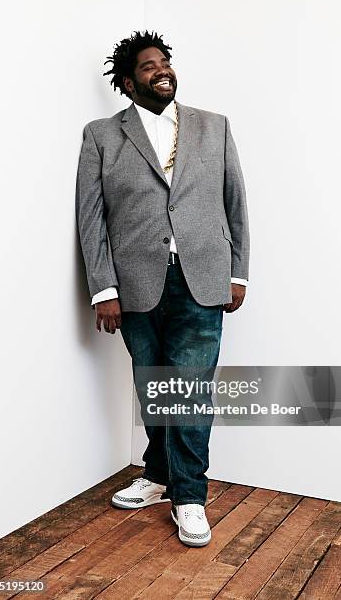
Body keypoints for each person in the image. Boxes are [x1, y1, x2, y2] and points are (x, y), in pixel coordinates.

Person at [76, 30, 250, 547]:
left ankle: (190, 496)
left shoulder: (214, 127)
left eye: (165, 62)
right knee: (156, 388)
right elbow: (91, 218)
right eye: (149, 67)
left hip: (202, 276)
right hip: (135, 285)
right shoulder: (102, 135)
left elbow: (236, 200)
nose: (162, 70)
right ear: (129, 83)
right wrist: (103, 288)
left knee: (190, 391)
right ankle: (157, 475)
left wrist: (237, 272)